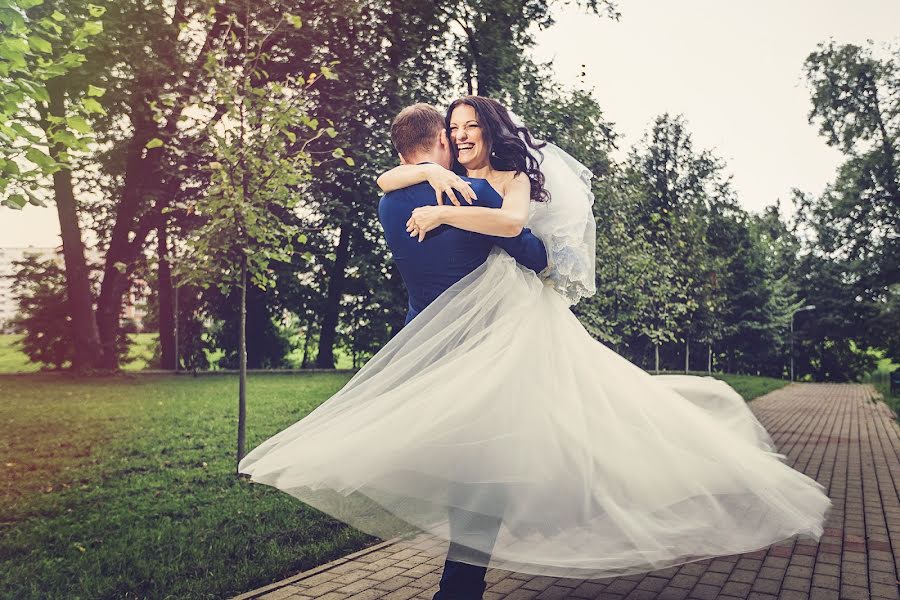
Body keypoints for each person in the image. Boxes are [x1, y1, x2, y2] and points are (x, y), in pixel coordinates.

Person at [238, 96, 832, 599]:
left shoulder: (391, 201)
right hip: (489, 345)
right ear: (438, 145)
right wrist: (486, 219)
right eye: (452, 133)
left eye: (469, 129)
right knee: (512, 458)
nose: (460, 141)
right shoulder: (475, 195)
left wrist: (431, 188)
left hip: (430, 341)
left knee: (477, 462)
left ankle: (466, 577)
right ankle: (472, 577)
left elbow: (391, 180)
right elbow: (534, 252)